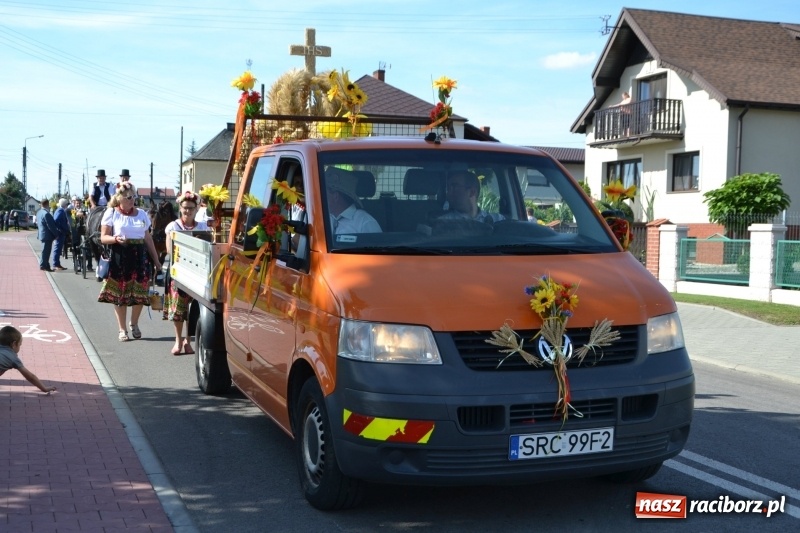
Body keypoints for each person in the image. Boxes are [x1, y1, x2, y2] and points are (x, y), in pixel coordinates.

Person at [97, 182, 162, 342]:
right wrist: (115, 239)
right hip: (120, 257)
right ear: (119, 198)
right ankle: (122, 329)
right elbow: (103, 237)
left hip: (140, 258)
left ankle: (134, 323)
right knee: (120, 295)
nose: (133, 200)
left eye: (134, 196)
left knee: (140, 294)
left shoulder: (141, 214)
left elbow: (148, 238)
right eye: (129, 197)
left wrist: (157, 261)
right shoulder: (111, 213)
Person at [162, 191, 208, 355]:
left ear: (196, 209)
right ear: (180, 208)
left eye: (190, 208)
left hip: (198, 272)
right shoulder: (173, 226)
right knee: (179, 307)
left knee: (194, 308)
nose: (187, 211)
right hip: (179, 271)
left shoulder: (202, 227)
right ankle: (178, 340)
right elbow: (169, 250)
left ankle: (189, 340)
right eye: (184, 208)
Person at [0, 326, 57, 394]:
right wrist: (44, 388)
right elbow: (31, 377)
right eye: (20, 345)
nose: (19, 347)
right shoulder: (13, 358)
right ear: (14, 344)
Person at [437, 170, 505, 223]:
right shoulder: (444, 223)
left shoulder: (497, 220)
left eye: (454, 186)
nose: (448, 192)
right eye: (448, 188)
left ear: (472, 192)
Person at [325, 168, 381, 234]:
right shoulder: (324, 219)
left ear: (335, 196)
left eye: (324, 193)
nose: (321, 198)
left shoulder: (365, 222)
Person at [36, 199, 60, 272]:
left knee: (45, 251)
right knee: (46, 251)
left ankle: (45, 265)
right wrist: (56, 234)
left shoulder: (39, 212)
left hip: (42, 234)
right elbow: (51, 226)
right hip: (47, 235)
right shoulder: (46, 214)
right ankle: (44, 265)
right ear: (47, 204)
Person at [52, 198, 71, 271]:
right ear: (65, 205)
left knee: (58, 249)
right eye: (66, 204)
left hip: (61, 231)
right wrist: (60, 228)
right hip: (60, 232)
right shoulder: (60, 210)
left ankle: (57, 264)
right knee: (57, 248)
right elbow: (56, 220)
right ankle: (56, 264)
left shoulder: (60, 210)